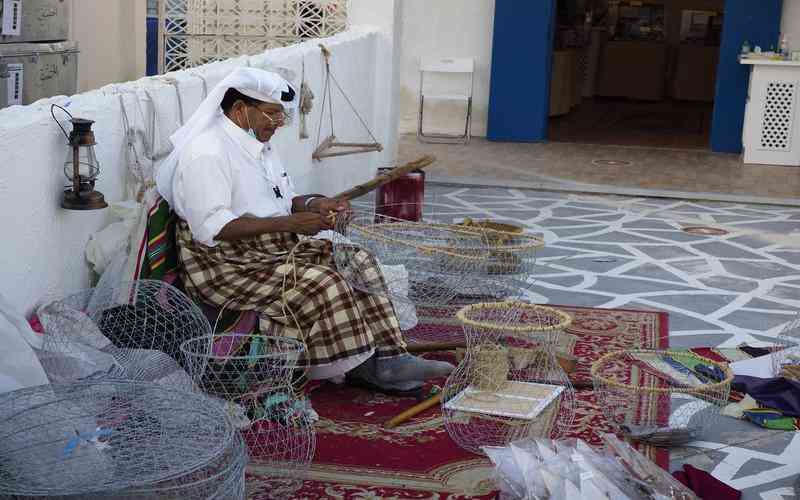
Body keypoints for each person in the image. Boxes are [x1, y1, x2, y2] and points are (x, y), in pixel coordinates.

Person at [155, 68, 452, 392]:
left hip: (268, 246)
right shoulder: (206, 153)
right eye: (270, 113)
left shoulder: (259, 144)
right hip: (224, 263)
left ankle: (391, 358)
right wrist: (291, 224)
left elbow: (280, 198)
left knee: (357, 260)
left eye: (281, 115)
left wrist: (314, 204)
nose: (277, 123)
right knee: (322, 283)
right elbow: (212, 228)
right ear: (240, 109)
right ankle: (365, 366)